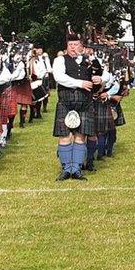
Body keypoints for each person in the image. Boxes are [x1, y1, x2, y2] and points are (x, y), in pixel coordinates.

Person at [52, 30, 102, 181]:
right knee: (64, 136)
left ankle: (77, 168)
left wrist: (99, 80)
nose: (73, 47)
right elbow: (59, 77)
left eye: (76, 44)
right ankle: (66, 168)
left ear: (81, 46)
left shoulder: (90, 62)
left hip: (85, 104)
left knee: (81, 137)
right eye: (70, 44)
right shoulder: (60, 60)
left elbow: (101, 78)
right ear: (66, 46)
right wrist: (80, 83)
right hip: (66, 103)